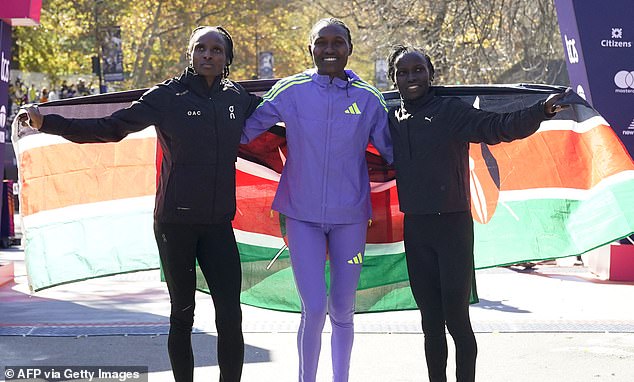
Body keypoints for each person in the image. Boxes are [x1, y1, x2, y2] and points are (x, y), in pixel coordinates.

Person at [17, 26, 261, 382]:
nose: (208, 55)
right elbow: (111, 127)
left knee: (230, 315)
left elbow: (288, 118)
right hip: (174, 224)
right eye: (201, 48)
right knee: (183, 314)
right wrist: (47, 122)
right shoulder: (167, 97)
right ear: (190, 54)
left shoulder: (238, 98)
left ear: (228, 58)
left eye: (216, 50)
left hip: (218, 225)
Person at [386, 44, 570, 382]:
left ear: (431, 74)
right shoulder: (392, 118)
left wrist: (540, 111)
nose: (411, 77)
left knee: (456, 320)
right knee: (429, 322)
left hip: (453, 227)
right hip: (416, 230)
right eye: (403, 72)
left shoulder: (450, 111)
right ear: (393, 79)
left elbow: (497, 126)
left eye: (418, 70)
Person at [242, 17, 393, 382]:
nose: (329, 49)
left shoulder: (369, 99)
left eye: (337, 42)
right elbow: (243, 130)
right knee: (313, 308)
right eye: (321, 42)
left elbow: (396, 153)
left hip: (351, 221)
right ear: (309, 48)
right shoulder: (290, 91)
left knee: (342, 309)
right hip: (301, 218)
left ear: (349, 48)